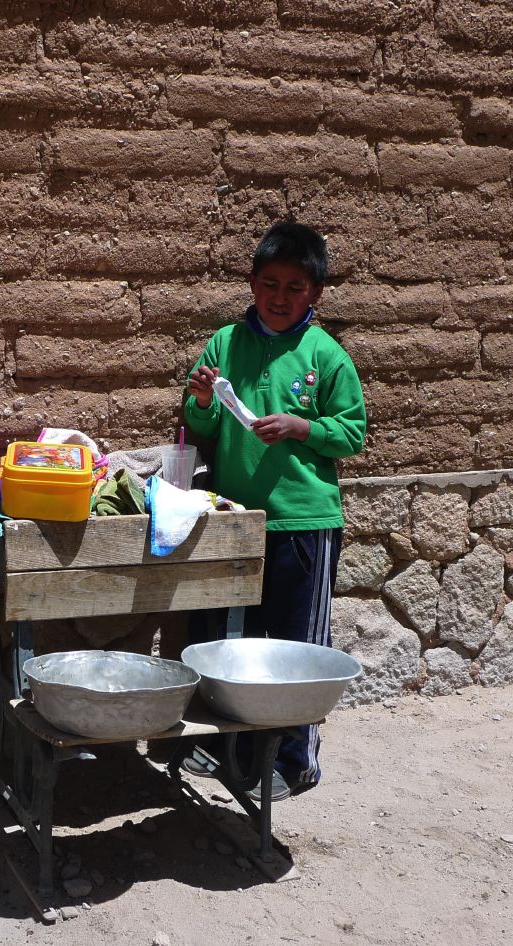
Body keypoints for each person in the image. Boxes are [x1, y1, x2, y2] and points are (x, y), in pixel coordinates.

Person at [183, 221, 366, 802]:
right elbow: (202, 425)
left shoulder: (326, 356)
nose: (280, 297)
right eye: (269, 284)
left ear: (314, 292)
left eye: (294, 286)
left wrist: (302, 426)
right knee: (229, 640)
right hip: (236, 521)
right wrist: (206, 399)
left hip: (303, 524)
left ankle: (294, 760)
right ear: (252, 283)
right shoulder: (225, 344)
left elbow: (352, 432)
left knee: (296, 647)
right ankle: (224, 746)